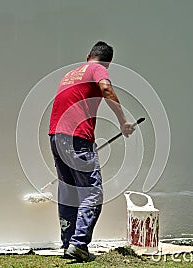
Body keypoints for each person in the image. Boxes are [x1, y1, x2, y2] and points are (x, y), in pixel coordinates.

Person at [48, 41, 135, 261]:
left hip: (56, 136)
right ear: (107, 63)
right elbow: (106, 89)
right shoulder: (98, 68)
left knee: (69, 191)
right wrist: (123, 122)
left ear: (88, 56)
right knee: (92, 193)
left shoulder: (70, 74)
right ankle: (78, 245)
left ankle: (68, 243)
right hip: (77, 137)